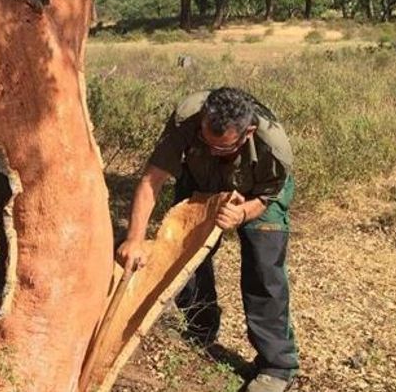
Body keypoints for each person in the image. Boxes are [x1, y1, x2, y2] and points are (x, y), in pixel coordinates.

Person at [116, 87, 298, 392]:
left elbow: (268, 196)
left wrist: (242, 215)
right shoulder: (187, 120)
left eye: (223, 147)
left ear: (247, 133)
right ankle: (201, 326)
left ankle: (277, 366)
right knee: (184, 251)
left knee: (263, 268)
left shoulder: (274, 147)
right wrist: (134, 239)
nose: (213, 150)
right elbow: (151, 181)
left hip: (258, 193)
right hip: (201, 179)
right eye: (206, 141)